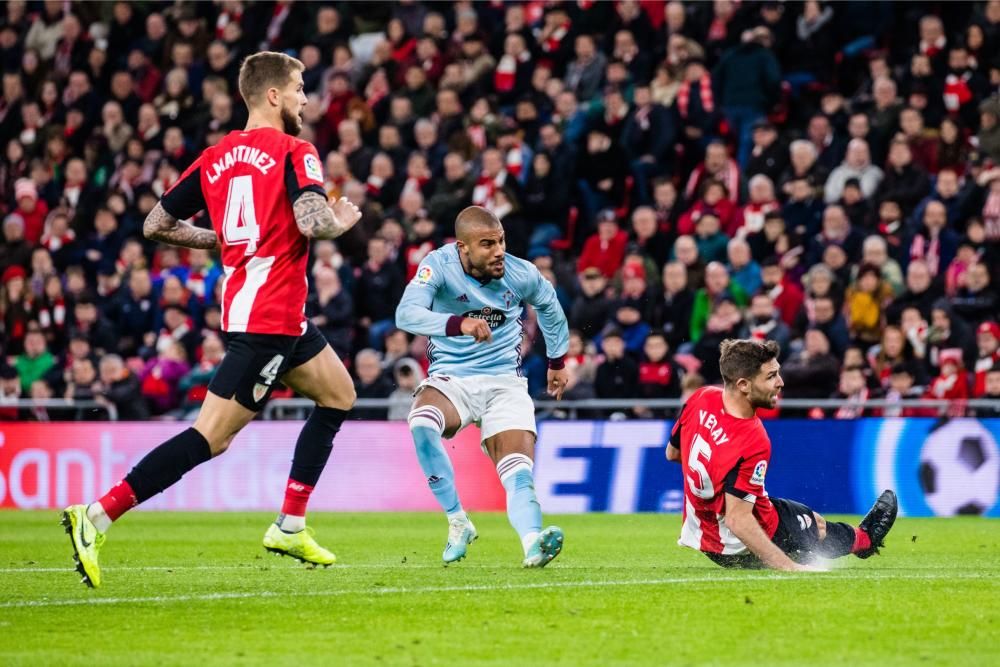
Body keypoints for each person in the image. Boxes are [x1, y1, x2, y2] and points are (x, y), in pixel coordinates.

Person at [61, 52, 363, 588]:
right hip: (267, 318)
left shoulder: (216, 156)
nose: (305, 99)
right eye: (298, 89)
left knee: (339, 394)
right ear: (272, 95)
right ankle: (98, 515)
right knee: (210, 438)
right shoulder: (298, 151)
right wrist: (337, 221)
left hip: (273, 314)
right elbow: (312, 220)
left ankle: (291, 523)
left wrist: (220, 239)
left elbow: (156, 224)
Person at [395, 205, 569, 568]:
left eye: (501, 241)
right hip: (452, 378)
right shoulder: (438, 266)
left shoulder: (521, 272)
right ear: (463, 247)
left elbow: (550, 307)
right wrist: (458, 323)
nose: (498, 251)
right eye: (487, 244)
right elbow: (406, 314)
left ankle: (533, 543)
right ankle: (458, 520)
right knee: (422, 422)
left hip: (504, 382)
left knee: (519, 472)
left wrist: (556, 361)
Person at [666, 338, 897, 570]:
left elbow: (672, 453)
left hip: (706, 537)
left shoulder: (700, 397)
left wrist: (717, 476)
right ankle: (865, 540)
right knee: (815, 527)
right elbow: (738, 520)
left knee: (812, 521)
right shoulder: (752, 437)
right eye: (771, 376)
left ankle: (845, 544)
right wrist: (789, 568)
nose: (780, 382)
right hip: (742, 542)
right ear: (744, 384)